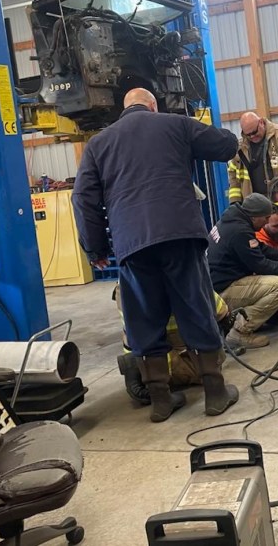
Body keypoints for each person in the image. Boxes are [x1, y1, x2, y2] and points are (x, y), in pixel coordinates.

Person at [72, 88, 239, 423]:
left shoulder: (98, 144)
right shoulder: (175, 124)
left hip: (132, 242)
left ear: (124, 109)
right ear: (153, 105)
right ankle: (215, 393)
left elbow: (82, 198)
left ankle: (161, 401)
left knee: (143, 317)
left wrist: (96, 249)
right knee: (195, 306)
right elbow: (226, 146)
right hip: (180, 233)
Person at [114, 284, 233, 405]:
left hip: (146, 362)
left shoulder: (123, 283)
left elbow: (131, 331)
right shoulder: (180, 270)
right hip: (179, 359)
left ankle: (158, 398)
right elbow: (221, 312)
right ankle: (216, 395)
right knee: (211, 356)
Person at [208, 194, 278, 348]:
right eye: (266, 218)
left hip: (216, 288)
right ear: (255, 217)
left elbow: (261, 249)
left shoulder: (233, 219)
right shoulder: (239, 231)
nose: (267, 222)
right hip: (222, 293)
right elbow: (261, 265)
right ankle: (239, 332)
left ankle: (235, 321)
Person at [227, 112, 278, 203]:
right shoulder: (241, 149)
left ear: (261, 122)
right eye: (248, 135)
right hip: (256, 207)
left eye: (254, 132)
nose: (252, 136)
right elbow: (234, 179)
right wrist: (235, 203)